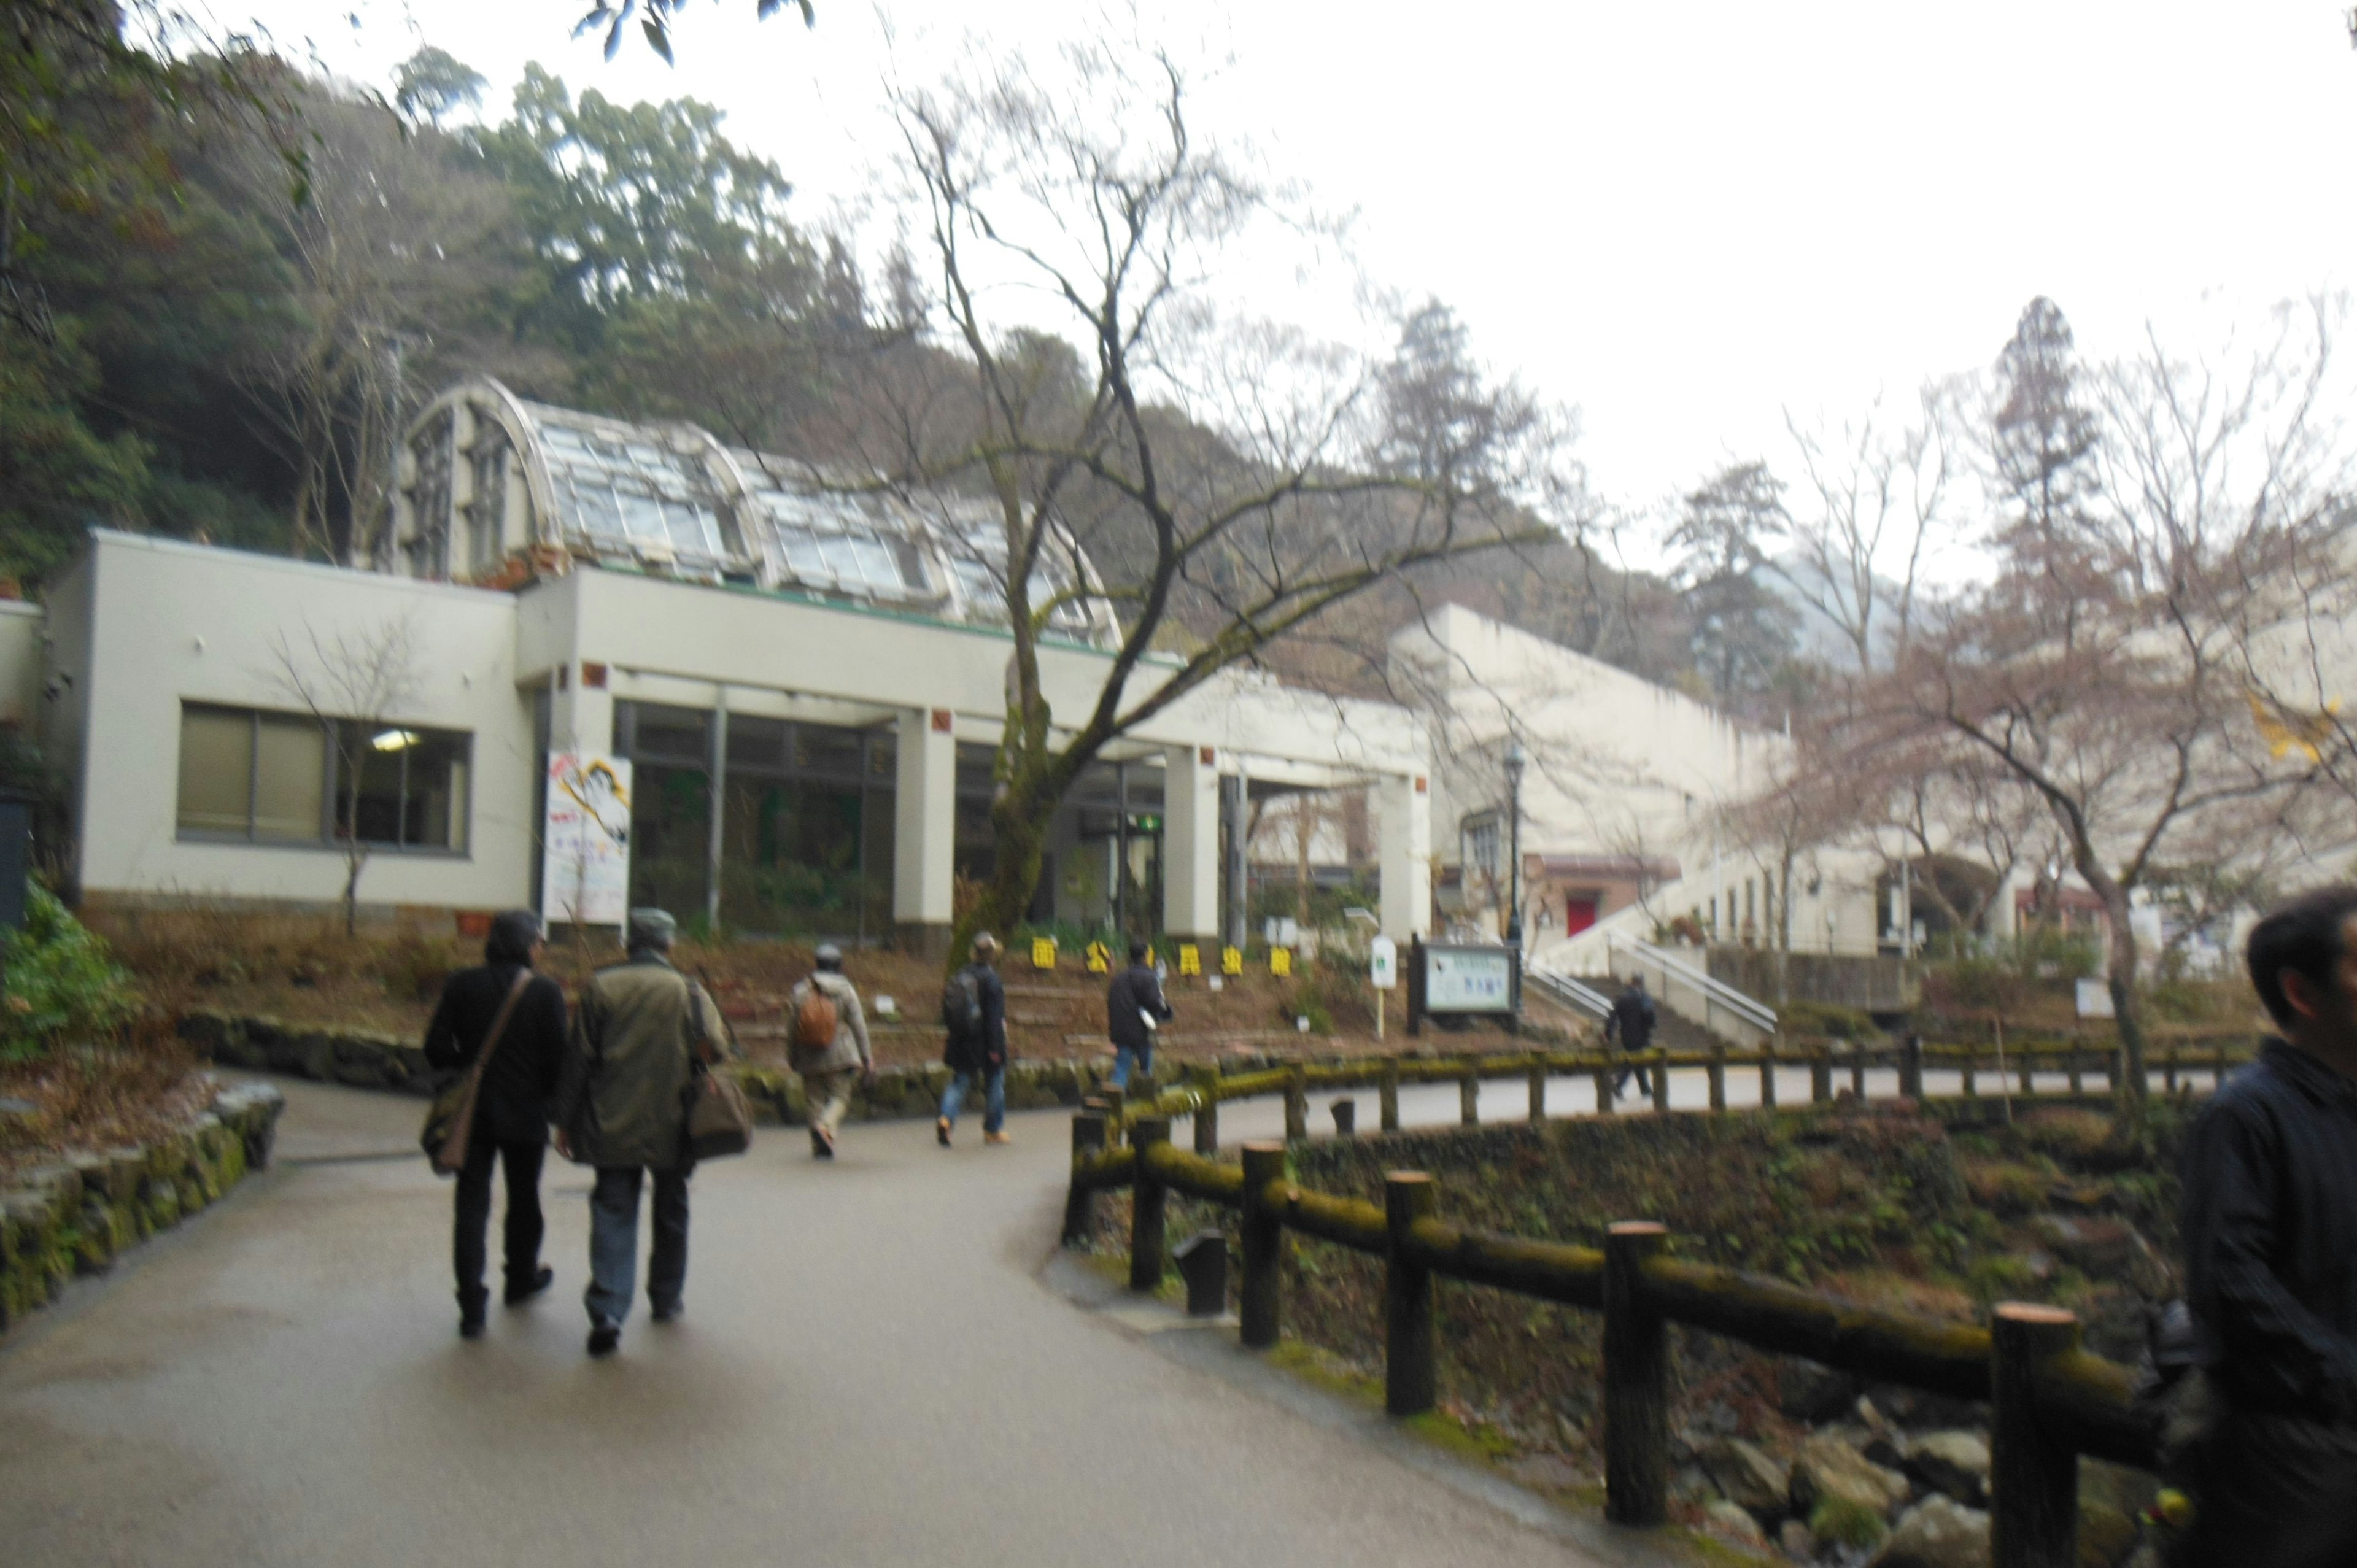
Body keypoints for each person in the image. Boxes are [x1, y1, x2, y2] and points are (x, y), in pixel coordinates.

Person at [2178, 885, 2357, 1567]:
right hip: (2289, 1465)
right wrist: (2344, 1375)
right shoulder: (2245, 1116)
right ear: (2303, 993)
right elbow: (2229, 1285)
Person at [552, 907, 725, 1358]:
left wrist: (564, 1120)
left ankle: (608, 1309)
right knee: (672, 1208)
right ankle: (666, 1299)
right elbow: (718, 1048)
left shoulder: (602, 986)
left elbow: (578, 1061)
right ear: (668, 944)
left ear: (630, 943)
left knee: (613, 1209)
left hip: (612, 1121)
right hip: (675, 1122)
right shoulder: (689, 990)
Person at [422, 909, 570, 1340]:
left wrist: (467, 1069)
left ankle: (471, 1303)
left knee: (471, 1204)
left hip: (473, 1115)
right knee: (524, 1199)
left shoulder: (462, 983)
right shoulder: (545, 992)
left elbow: (434, 1047)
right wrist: (551, 1102)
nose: (542, 948)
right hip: (526, 1114)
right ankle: (520, 1277)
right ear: (527, 945)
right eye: (539, 940)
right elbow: (558, 1059)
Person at [788, 942, 873, 1160]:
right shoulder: (845, 990)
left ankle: (818, 1146)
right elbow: (858, 1026)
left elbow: (791, 1027)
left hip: (808, 1053)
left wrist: (792, 1055)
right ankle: (826, 1127)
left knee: (814, 1099)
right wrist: (866, 1057)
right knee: (841, 1096)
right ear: (838, 965)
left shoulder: (800, 991)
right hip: (840, 1055)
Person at [937, 932, 1010, 1148]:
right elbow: (995, 1018)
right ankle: (993, 1129)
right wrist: (996, 1048)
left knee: (959, 1082)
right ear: (992, 955)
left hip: (961, 1040)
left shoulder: (961, 975)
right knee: (995, 1083)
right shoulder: (992, 980)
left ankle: (946, 1119)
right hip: (985, 1042)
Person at [1105, 940, 1174, 1092]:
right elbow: (1155, 1003)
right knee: (1145, 1071)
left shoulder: (1119, 979)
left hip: (1120, 1032)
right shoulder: (1148, 977)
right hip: (1141, 1032)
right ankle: (1145, 1102)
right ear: (1145, 956)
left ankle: (1114, 1100)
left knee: (1121, 1069)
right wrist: (1166, 1013)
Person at [1604, 975, 1657, 1099]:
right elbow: (1649, 1015)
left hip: (1626, 1036)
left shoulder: (1622, 999)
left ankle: (1645, 1088)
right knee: (1633, 1061)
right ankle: (1618, 1086)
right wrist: (1652, 1025)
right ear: (1640, 983)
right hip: (1641, 1035)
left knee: (1638, 1060)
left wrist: (1608, 1034)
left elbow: (1612, 1017)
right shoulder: (1643, 998)